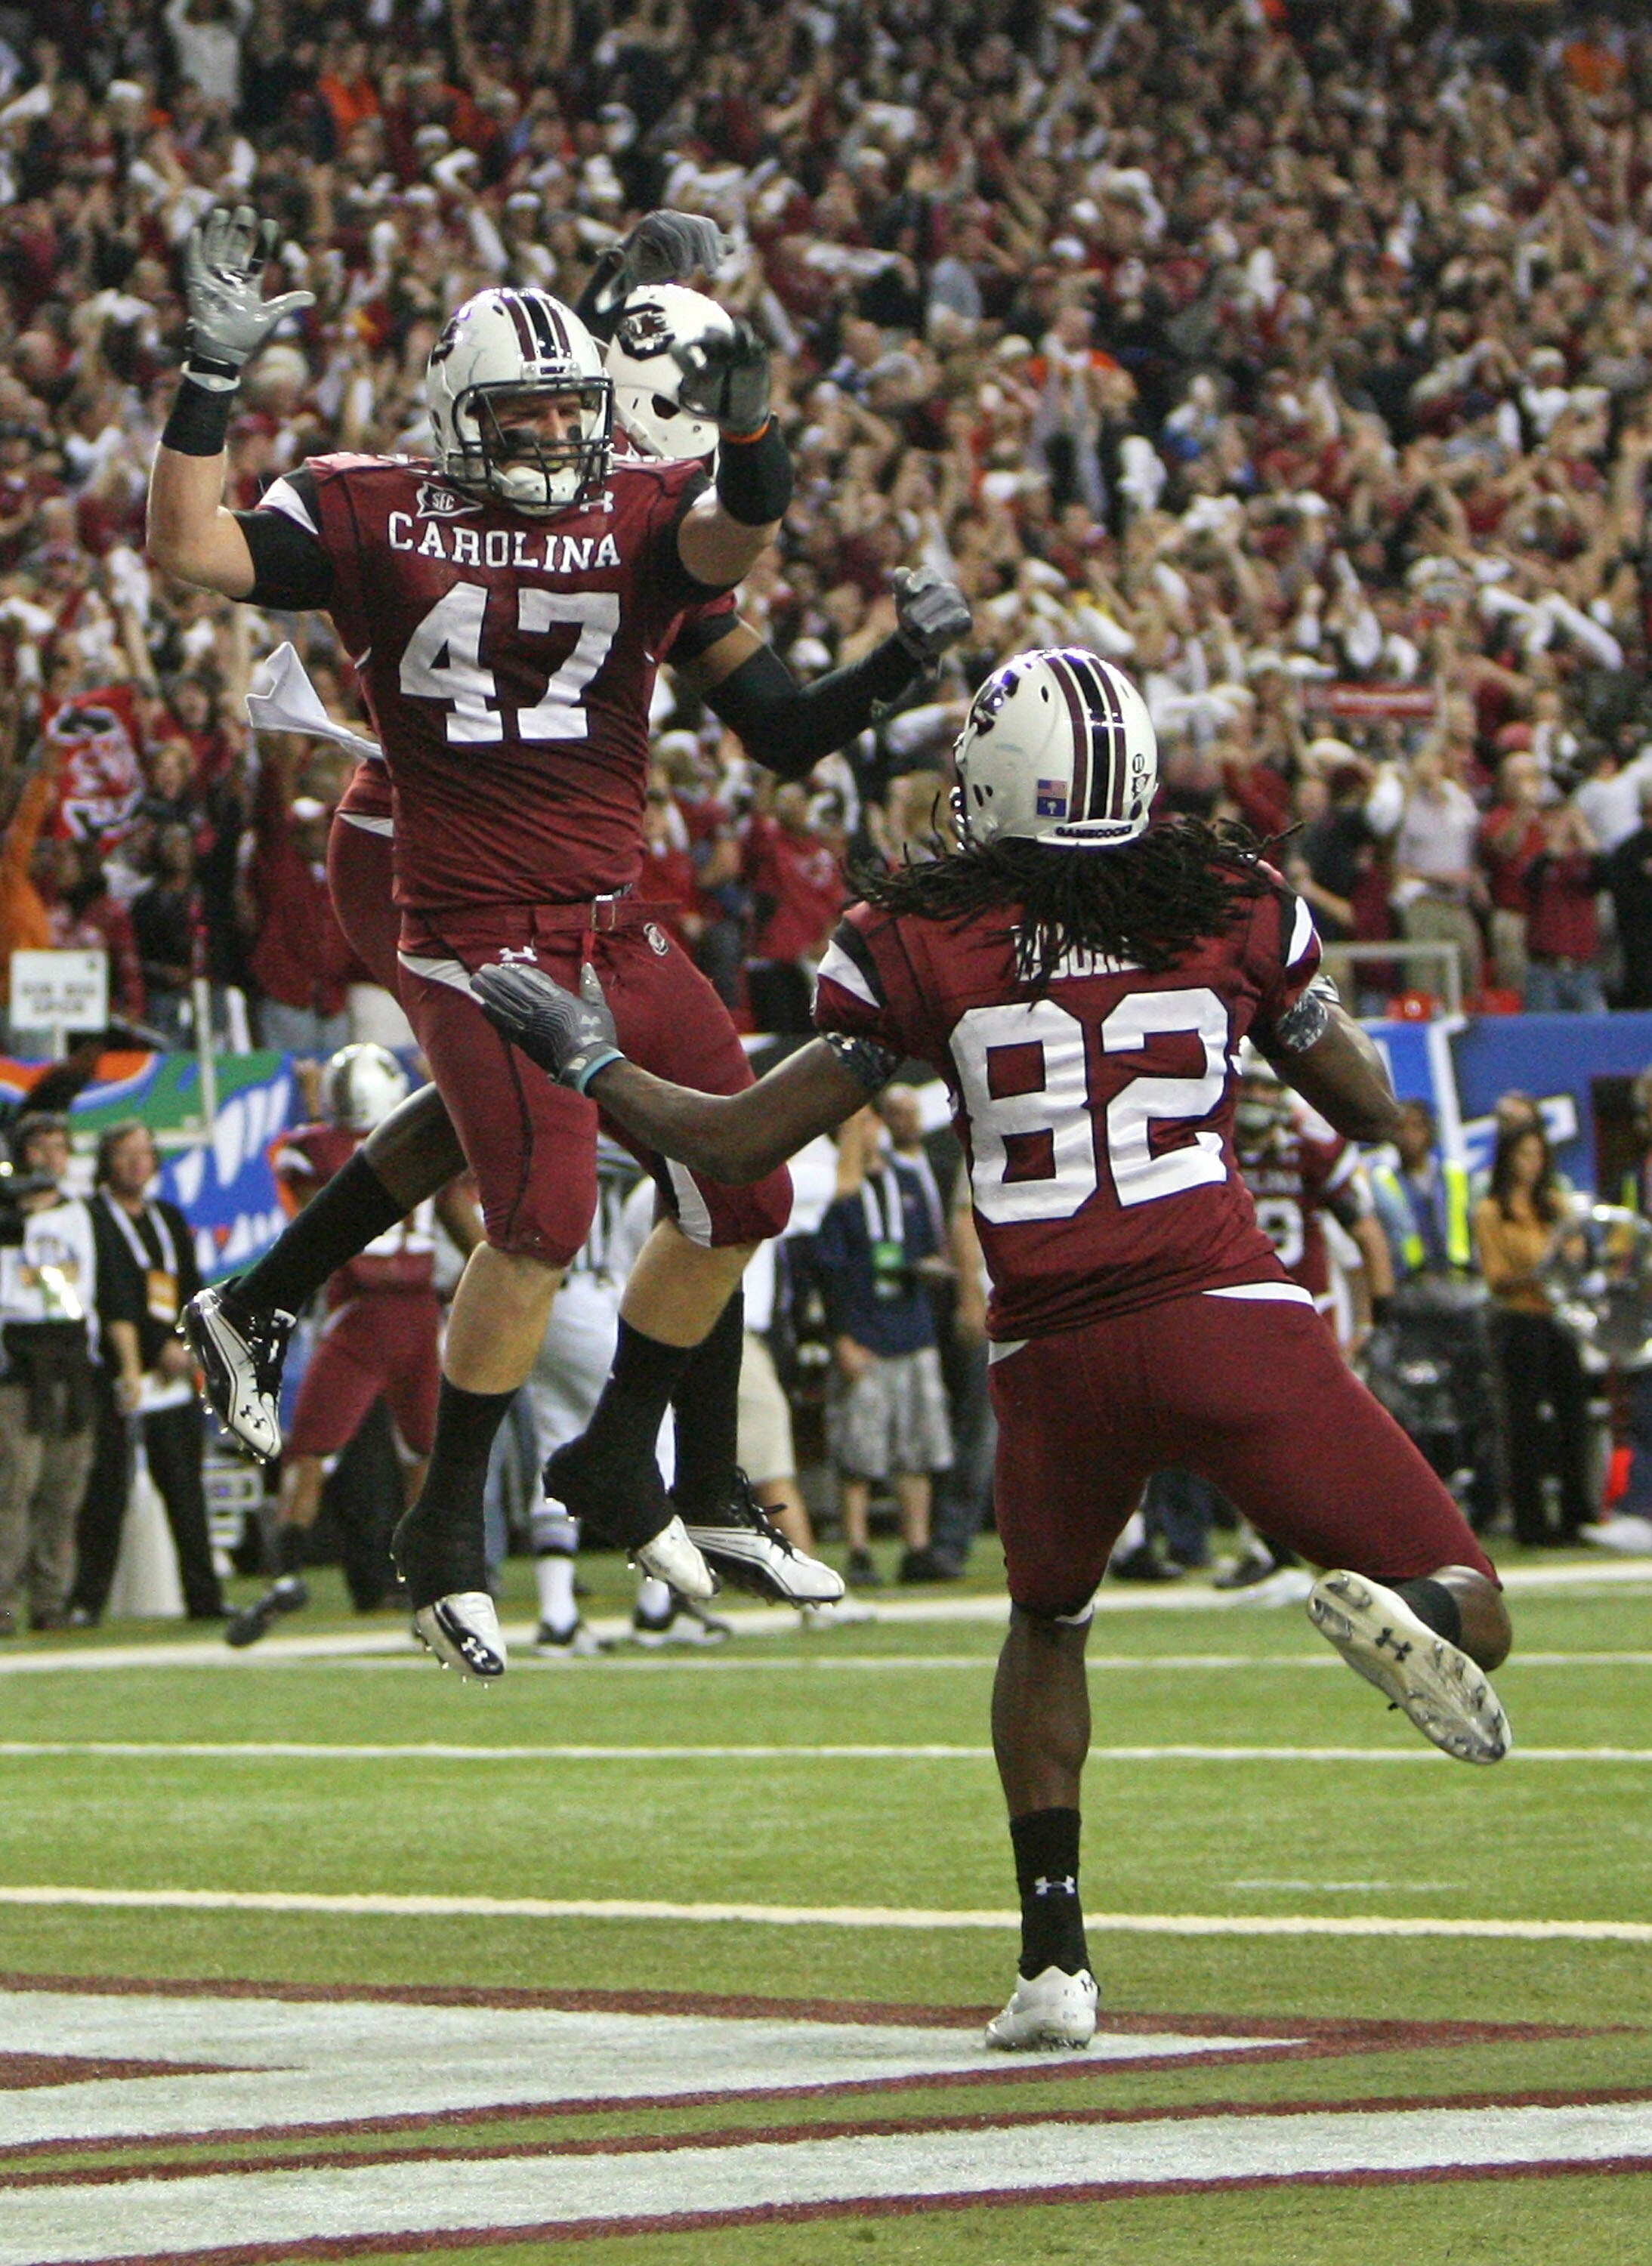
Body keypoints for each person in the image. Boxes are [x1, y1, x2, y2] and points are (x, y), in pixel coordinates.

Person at [474, 645, 1515, 2055]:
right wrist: (1284, 1011)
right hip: (1226, 1317)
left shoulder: (923, 937)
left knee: (1049, 1623)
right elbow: (1374, 1108)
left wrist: (591, 1058)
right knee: (1473, 1598)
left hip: (1052, 1356)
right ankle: (1418, 1622)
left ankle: (1055, 1964)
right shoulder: (1231, 904)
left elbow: (728, 1143)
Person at [161, 217, 968, 1673]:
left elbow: (761, 621)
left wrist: (774, 443)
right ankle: (462, 1513)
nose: (565, 440)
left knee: (728, 1175)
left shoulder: (650, 507)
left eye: (588, 415)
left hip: (606, 904)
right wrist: (208, 381)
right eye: (535, 414)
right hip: (446, 877)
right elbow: (195, 546)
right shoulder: (384, 506)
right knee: (530, 1192)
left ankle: (622, 1457)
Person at [224, 1045, 459, 1648]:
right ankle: (427, 1579)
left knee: (311, 1452)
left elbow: (313, 1220)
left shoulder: (315, 1147)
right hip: (418, 1313)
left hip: (359, 1317)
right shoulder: (431, 1132)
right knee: (426, 1455)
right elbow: (463, 1216)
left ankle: (286, 1574)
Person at [71, 1120, 224, 1627]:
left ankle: (203, 1596)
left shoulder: (168, 1218)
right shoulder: (91, 1217)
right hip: (111, 1370)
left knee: (184, 1485)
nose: (137, 1163)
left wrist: (182, 1345)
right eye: (124, 1154)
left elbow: (189, 1290)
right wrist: (143, 1354)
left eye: (144, 1153)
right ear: (106, 1163)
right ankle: (86, 1601)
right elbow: (107, 1291)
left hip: (170, 1370)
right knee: (107, 1489)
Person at [813, 1107, 953, 1588]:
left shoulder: (908, 1181)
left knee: (919, 1445)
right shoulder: (835, 1194)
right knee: (859, 1452)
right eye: (858, 1123)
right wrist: (841, 1338)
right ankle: (858, 1549)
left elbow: (929, 1247)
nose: (871, 1129)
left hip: (912, 1331)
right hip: (863, 1333)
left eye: (871, 1120)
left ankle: (917, 1547)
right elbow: (826, 1273)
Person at [0, 1113, 100, 1635]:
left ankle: (51, 1600)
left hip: (69, 1352)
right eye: (41, 1147)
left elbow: (87, 1291)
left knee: (64, 1487)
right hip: (17, 1356)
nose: (52, 1157)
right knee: (14, 1485)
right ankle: (3, 1603)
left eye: (61, 1147)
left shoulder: (79, 1213)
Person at [1473, 1122, 1594, 1547]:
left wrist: (1570, 1258)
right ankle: (1530, 1521)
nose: (1532, 1165)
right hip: (1517, 1320)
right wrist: (1539, 1270)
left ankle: (1576, 1514)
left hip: (1556, 1318)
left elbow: (1577, 1261)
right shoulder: (1492, 1210)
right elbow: (1497, 1277)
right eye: (1523, 1156)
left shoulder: (1555, 1205)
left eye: (1538, 1156)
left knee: (1571, 1416)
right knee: (1522, 1421)